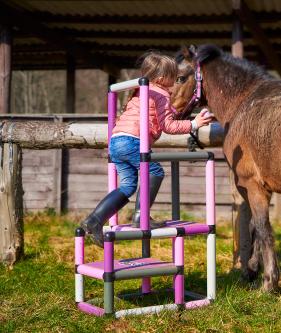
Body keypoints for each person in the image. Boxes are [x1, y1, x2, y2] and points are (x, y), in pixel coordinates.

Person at [81, 51, 212, 247]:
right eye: (173, 77)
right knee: (155, 171)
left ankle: (94, 220)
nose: (175, 81)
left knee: (127, 186)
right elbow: (168, 126)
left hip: (116, 141)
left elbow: (155, 115)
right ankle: (141, 216)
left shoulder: (140, 90)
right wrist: (194, 123)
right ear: (161, 79)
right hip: (133, 141)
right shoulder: (162, 94)